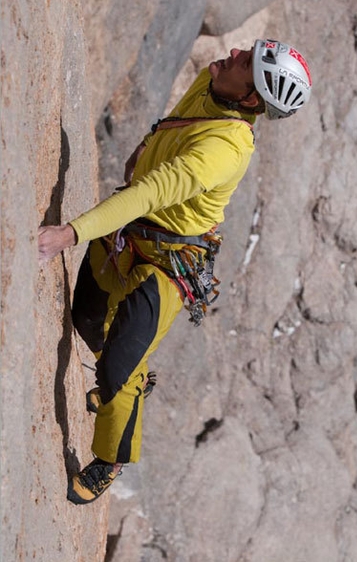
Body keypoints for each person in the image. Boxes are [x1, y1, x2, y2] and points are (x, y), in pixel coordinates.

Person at [38, 39, 312, 504]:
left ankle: (110, 460)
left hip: (170, 262)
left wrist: (71, 233)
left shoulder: (225, 150)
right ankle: (131, 373)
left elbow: (149, 194)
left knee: (118, 369)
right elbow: (176, 120)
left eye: (244, 62)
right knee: (87, 319)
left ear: (250, 99)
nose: (233, 53)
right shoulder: (213, 82)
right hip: (138, 235)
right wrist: (147, 143)